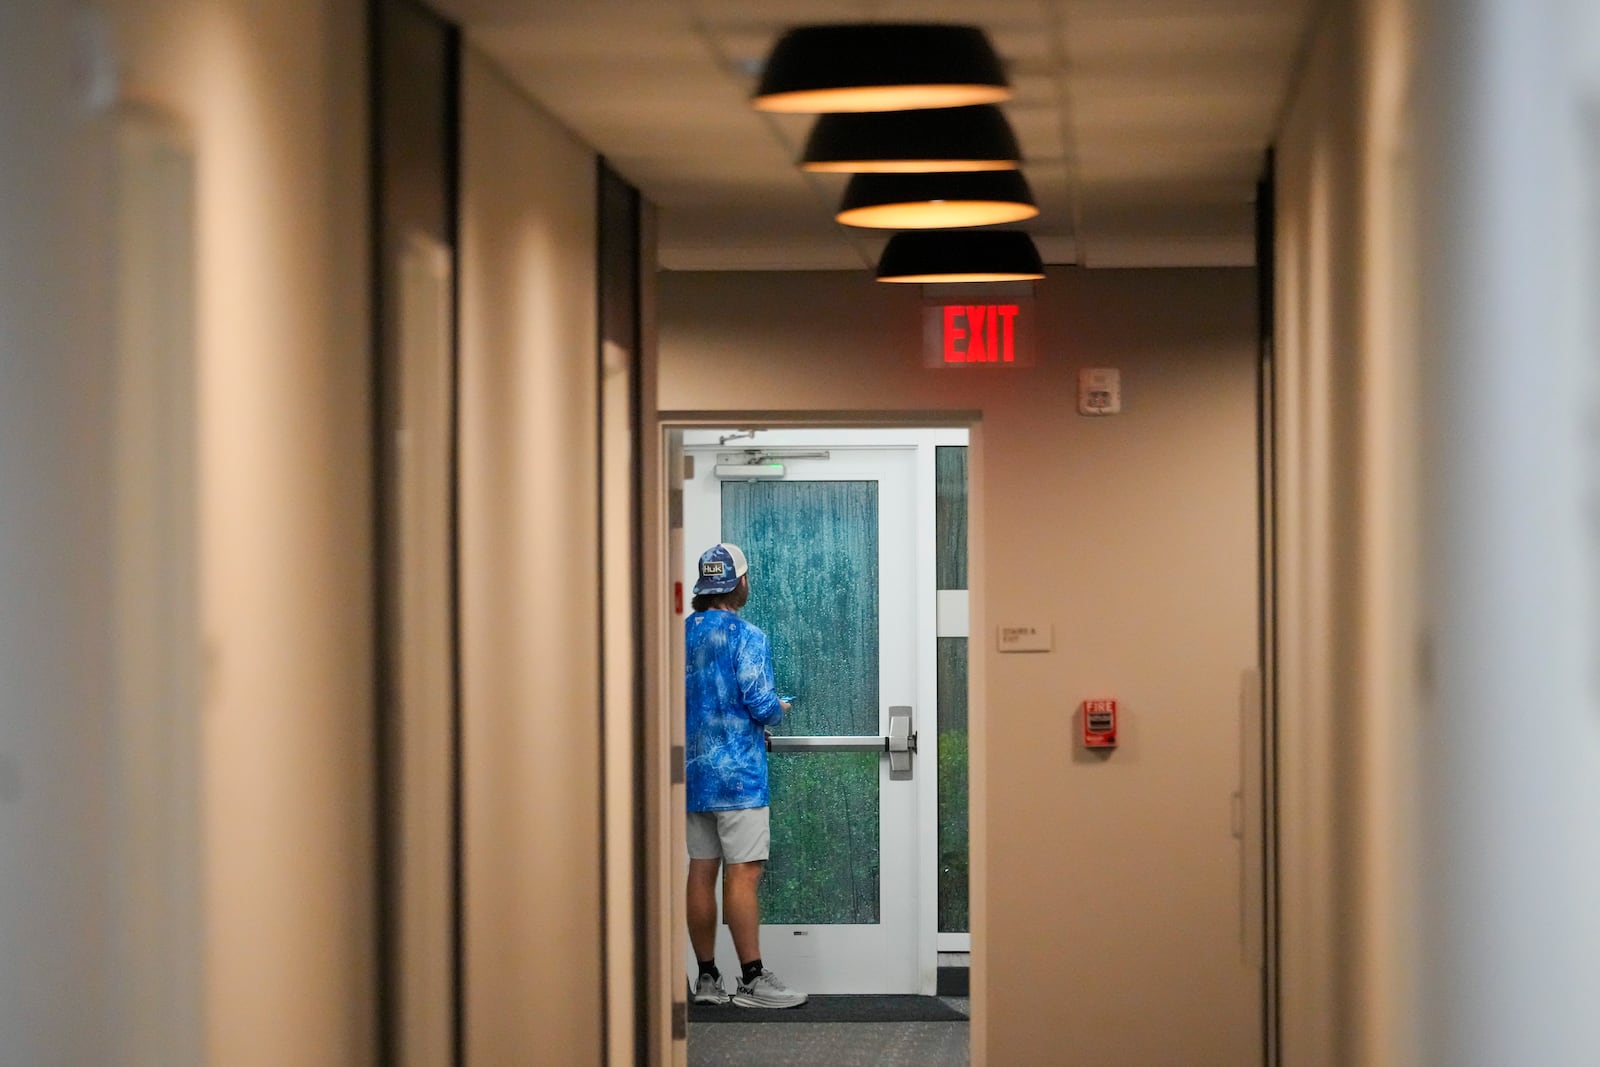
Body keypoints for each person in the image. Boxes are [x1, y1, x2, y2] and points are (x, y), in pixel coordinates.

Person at [684, 542, 808, 1009]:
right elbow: (761, 705)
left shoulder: (680, 635)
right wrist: (781, 708)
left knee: (700, 870)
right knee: (743, 875)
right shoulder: (746, 636)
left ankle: (708, 979)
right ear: (739, 582)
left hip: (693, 777)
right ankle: (754, 980)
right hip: (738, 779)